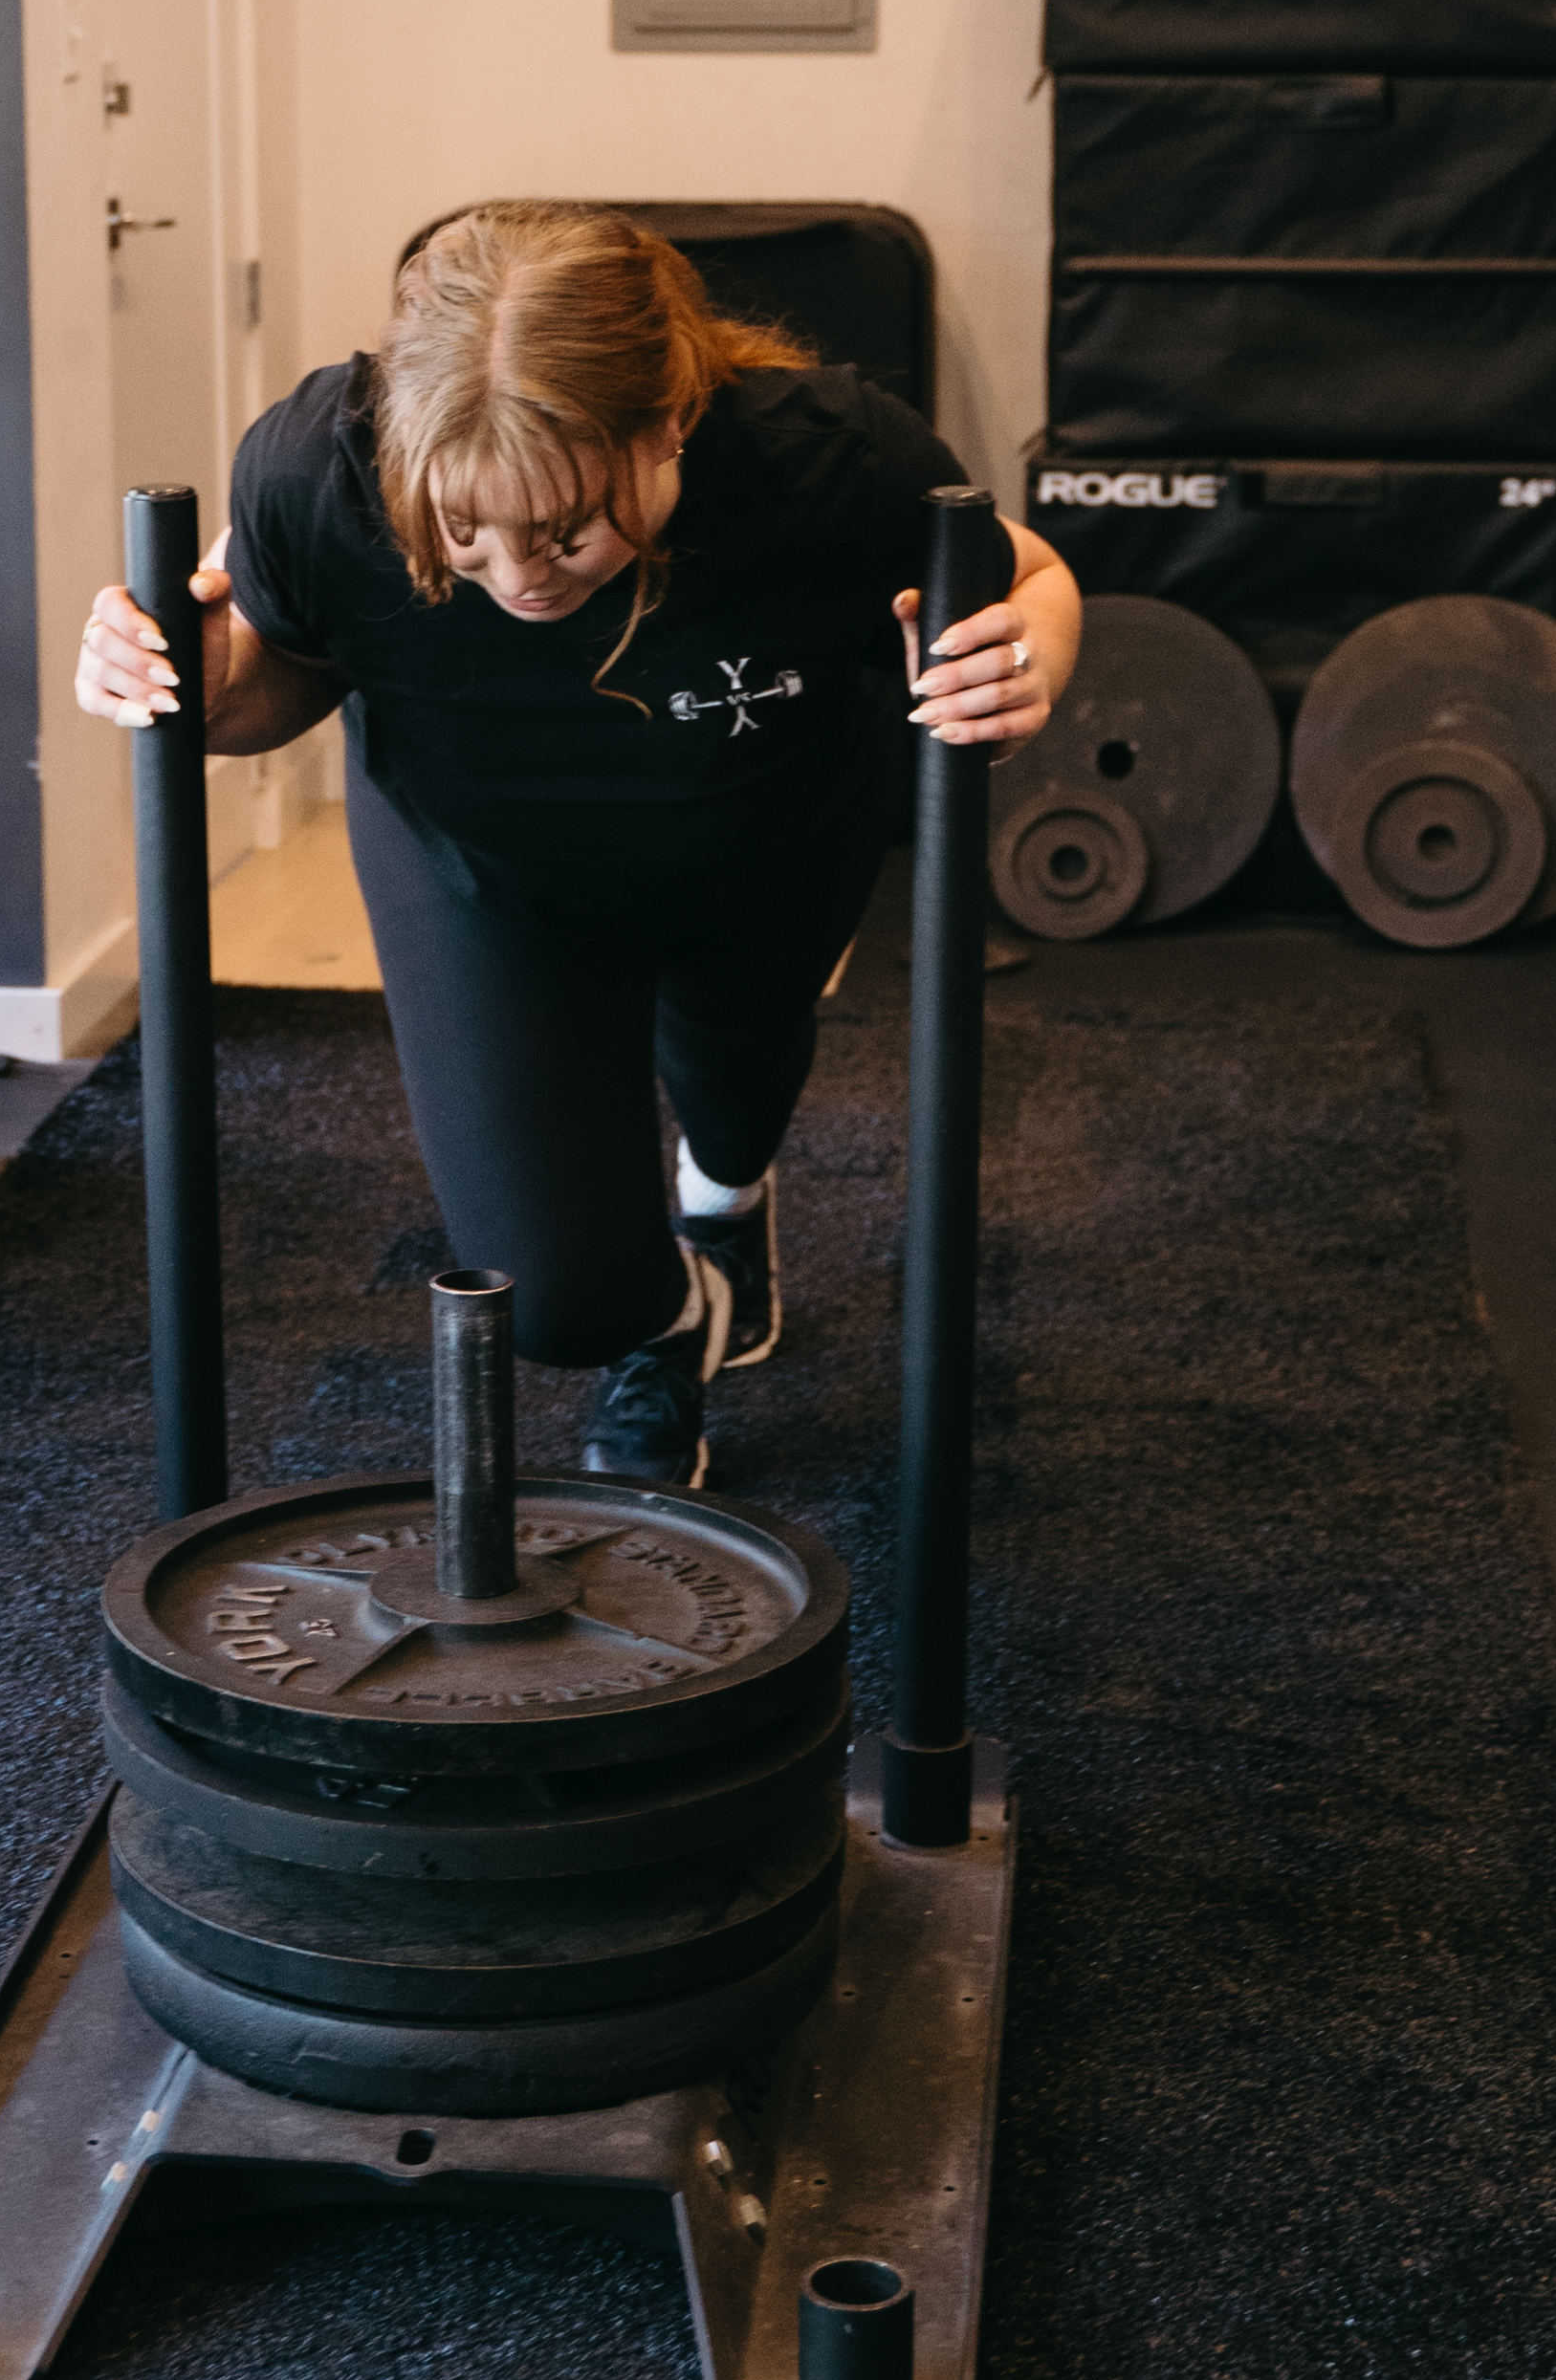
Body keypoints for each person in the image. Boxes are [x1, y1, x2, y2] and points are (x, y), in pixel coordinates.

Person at [73, 202, 1080, 1491]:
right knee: (558, 1303)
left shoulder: (830, 458)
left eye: (566, 532)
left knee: (738, 1089)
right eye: (463, 536)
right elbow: (280, 678)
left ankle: (721, 1205)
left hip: (764, 833)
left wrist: (1017, 667)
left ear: (670, 428)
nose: (519, 580)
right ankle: (673, 1322)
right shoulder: (315, 468)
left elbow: (1034, 578)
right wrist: (197, 682)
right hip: (480, 859)